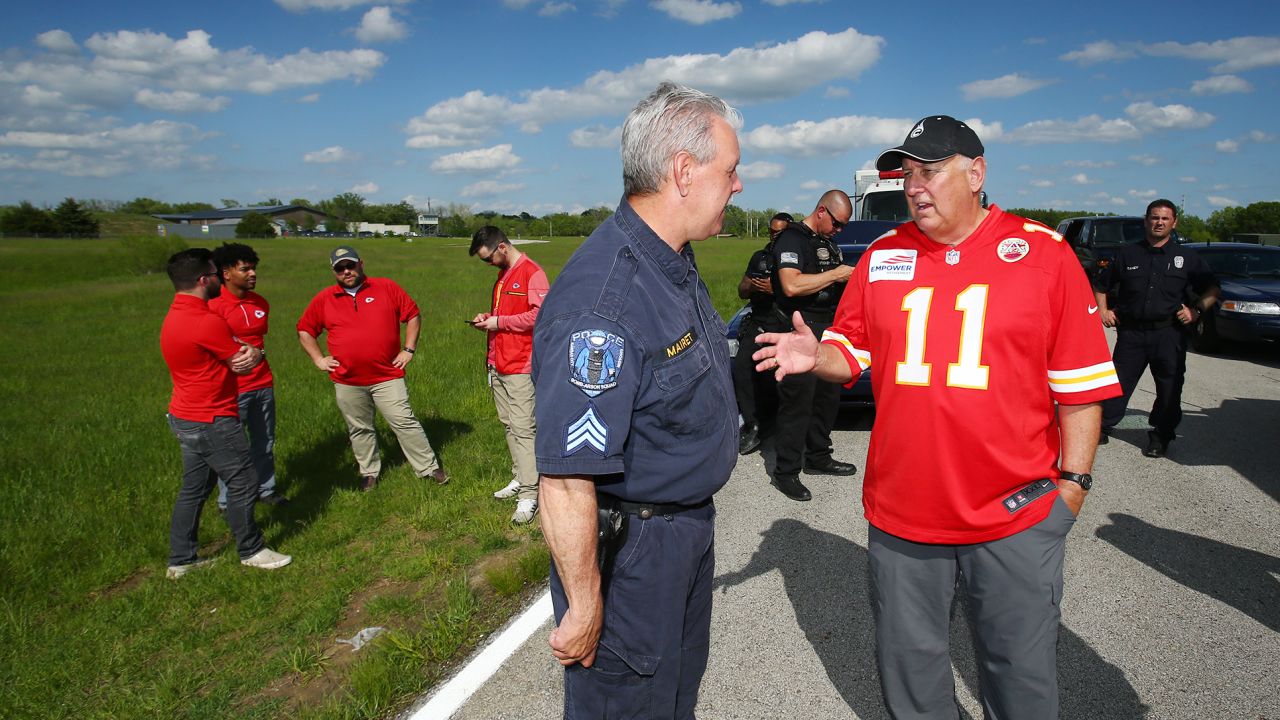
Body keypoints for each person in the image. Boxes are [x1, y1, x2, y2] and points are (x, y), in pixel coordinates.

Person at [755, 115, 1121, 719]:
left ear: (976, 173)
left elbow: (1079, 389)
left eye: (930, 171)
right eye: (906, 174)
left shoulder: (1043, 254)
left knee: (1020, 677)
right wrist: (814, 355)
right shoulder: (883, 256)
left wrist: (1074, 485)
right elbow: (852, 352)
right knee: (911, 673)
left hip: (1015, 512)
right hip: (904, 514)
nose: (914, 186)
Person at [531, 81, 741, 719]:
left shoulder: (670, 261)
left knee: (672, 698)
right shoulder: (606, 303)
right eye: (729, 170)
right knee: (625, 704)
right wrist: (587, 602)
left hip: (681, 532)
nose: (737, 185)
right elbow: (566, 478)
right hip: (636, 553)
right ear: (684, 171)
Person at [160, 248, 293, 579]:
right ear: (205, 280)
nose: (220, 278)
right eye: (216, 274)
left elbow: (237, 356)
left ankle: (181, 559)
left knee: (194, 488)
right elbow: (245, 359)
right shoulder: (207, 321)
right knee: (245, 480)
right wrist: (253, 352)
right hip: (213, 417)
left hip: (184, 416)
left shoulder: (174, 316)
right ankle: (251, 549)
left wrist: (245, 352)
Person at [297, 246, 448, 490]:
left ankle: (428, 467)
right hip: (348, 380)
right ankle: (369, 472)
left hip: (387, 375)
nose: (346, 271)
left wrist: (408, 349)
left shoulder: (385, 287)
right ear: (334, 271)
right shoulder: (325, 298)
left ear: (361, 263)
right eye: (340, 268)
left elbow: (412, 314)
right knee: (359, 428)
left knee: (403, 420)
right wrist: (318, 359)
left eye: (350, 265)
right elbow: (305, 329)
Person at [1093, 199, 1219, 458]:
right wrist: (1103, 310)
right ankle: (1102, 427)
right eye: (1154, 217)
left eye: (1164, 218)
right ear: (1146, 220)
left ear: (1174, 223)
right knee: (1118, 382)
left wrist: (1195, 311)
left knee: (1169, 387)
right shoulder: (1128, 254)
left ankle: (1160, 436)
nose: (1159, 222)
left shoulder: (1186, 258)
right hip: (1132, 333)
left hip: (1168, 334)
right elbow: (1100, 285)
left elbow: (1213, 289)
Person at [768, 190, 859, 501]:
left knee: (826, 398)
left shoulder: (827, 243)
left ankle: (818, 456)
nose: (839, 230)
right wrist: (835, 275)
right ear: (822, 211)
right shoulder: (792, 239)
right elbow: (791, 284)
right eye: (837, 223)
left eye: (844, 226)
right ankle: (786, 471)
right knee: (798, 403)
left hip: (827, 328)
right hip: (799, 328)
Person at [468, 225, 550, 524]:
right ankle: (520, 476)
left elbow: (540, 315)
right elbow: (506, 316)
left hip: (520, 364)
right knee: (508, 425)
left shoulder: (532, 273)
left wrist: (499, 322)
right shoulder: (503, 275)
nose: (487, 264)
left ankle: (531, 493)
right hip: (498, 361)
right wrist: (487, 319)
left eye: (487, 258)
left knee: (523, 427)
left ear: (502, 247)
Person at [208, 243, 286, 510]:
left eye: (254, 268)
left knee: (264, 441)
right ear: (226, 273)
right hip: (230, 388)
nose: (252, 273)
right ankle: (228, 500)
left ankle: (266, 489)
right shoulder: (212, 306)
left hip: (262, 383)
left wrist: (259, 353)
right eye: (245, 269)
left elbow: (259, 342)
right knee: (231, 448)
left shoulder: (259, 302)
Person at [732, 212, 792, 456]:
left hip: (784, 327)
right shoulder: (760, 257)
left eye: (780, 232)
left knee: (782, 382)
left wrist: (775, 288)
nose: (774, 236)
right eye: (772, 231)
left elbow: (801, 292)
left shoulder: (795, 257)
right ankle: (753, 424)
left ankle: (784, 429)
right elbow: (741, 291)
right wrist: (752, 285)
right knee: (742, 372)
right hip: (758, 324)